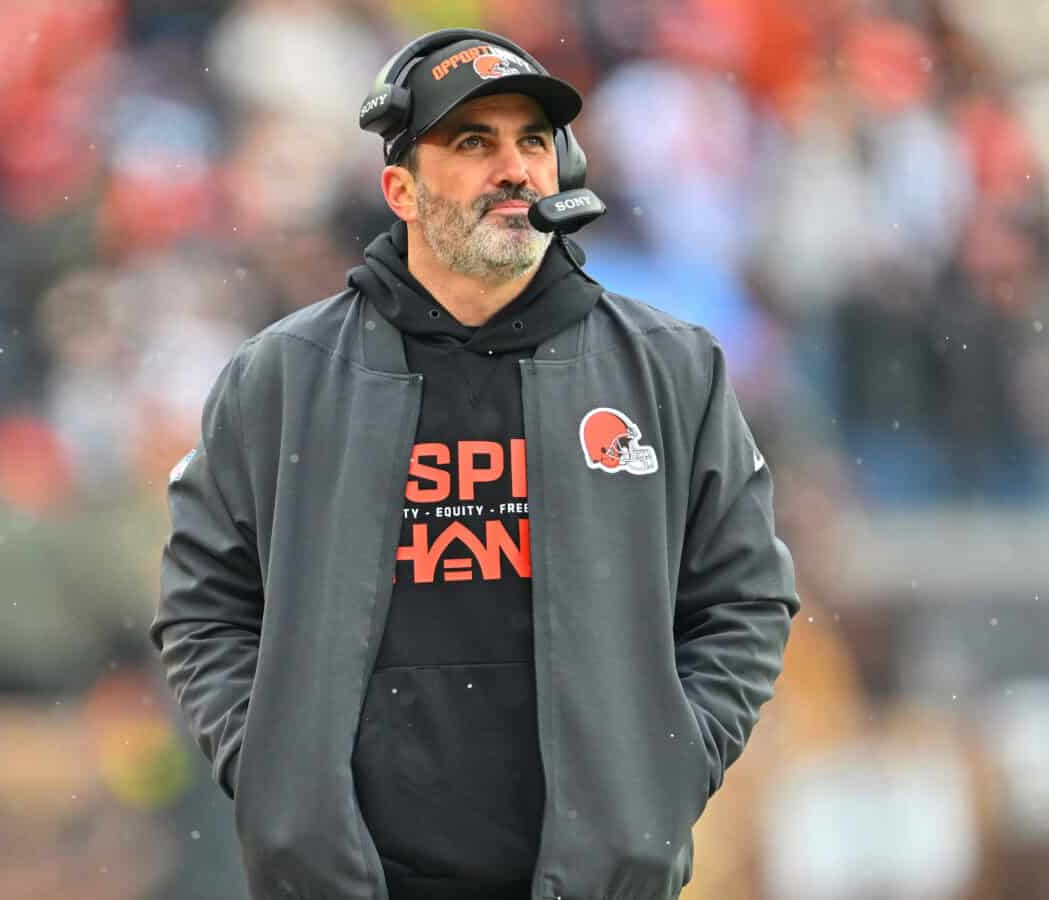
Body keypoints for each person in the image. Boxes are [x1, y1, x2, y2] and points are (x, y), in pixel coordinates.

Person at [151, 27, 798, 900]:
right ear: (401, 190)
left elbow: (744, 598)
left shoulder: (670, 370)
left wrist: (664, 772)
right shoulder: (281, 378)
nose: (515, 167)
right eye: (472, 142)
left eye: (533, 141)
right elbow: (204, 604)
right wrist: (275, 778)